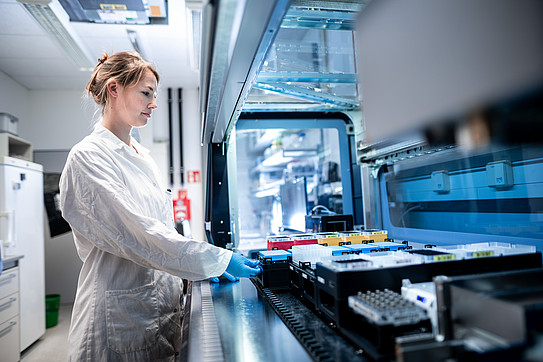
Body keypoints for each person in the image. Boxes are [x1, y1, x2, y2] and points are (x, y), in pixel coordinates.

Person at [59, 51, 261, 361]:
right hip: (116, 320)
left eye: (154, 94)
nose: (153, 103)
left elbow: (163, 230)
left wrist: (197, 269)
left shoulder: (142, 155)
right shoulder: (88, 157)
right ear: (114, 89)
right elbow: (139, 234)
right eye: (145, 93)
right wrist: (212, 260)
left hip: (157, 310)